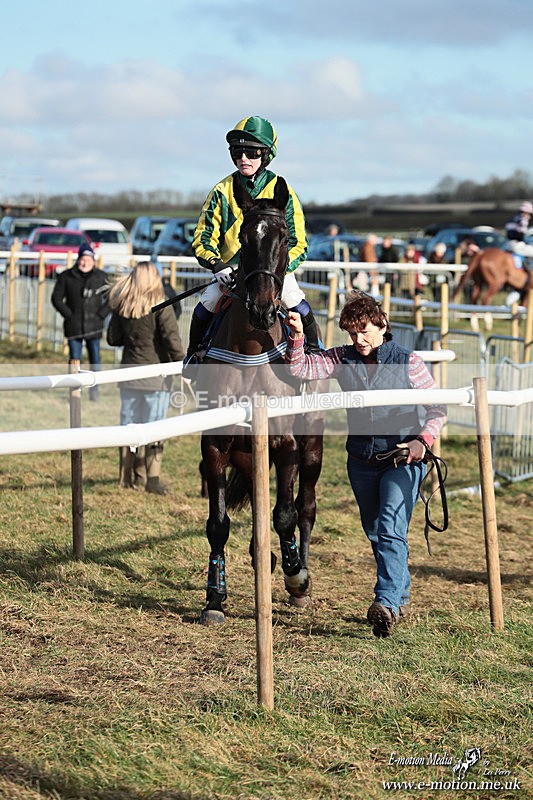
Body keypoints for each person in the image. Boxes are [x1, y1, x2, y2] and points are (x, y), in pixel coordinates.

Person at [285, 291, 446, 638]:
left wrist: (423, 442)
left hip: (402, 458)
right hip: (360, 459)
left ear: (382, 325)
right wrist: (297, 336)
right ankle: (398, 595)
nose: (358, 340)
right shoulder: (342, 358)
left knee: (389, 526)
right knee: (377, 532)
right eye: (352, 334)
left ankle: (384, 602)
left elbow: (438, 408)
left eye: (365, 332)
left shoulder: (409, 362)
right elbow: (301, 368)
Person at [184, 115, 321, 374]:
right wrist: (217, 265)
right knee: (207, 302)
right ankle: (194, 357)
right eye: (238, 152)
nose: (243, 158)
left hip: (273, 270)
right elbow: (203, 238)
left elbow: (299, 242)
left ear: (266, 154)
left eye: (252, 152)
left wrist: (278, 269)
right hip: (231, 273)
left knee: (298, 304)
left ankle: (314, 357)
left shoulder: (284, 190)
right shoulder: (221, 191)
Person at [106, 261, 184, 495]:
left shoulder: (122, 305)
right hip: (156, 376)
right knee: (154, 428)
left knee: (128, 425)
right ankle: (152, 479)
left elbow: (112, 338)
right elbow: (172, 341)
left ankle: (128, 476)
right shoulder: (162, 305)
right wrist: (183, 365)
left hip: (129, 373)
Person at [51, 242, 110, 401]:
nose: (85, 263)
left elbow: (111, 299)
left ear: (93, 261)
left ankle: (94, 391)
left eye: (88, 260)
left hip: (94, 326)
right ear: (78, 260)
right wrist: (69, 314)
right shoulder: (66, 276)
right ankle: (75, 391)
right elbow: (56, 298)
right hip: (74, 326)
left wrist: (101, 315)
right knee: (75, 359)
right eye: (83, 259)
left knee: (95, 359)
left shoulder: (101, 277)